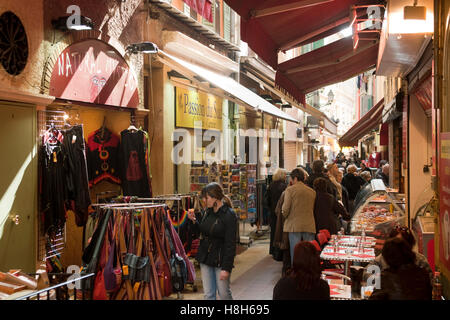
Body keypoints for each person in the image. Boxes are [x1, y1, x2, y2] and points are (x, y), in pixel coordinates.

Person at [187, 183, 237, 300]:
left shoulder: (229, 215)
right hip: (205, 257)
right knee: (208, 295)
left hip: (220, 259)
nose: (204, 200)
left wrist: (226, 267)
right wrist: (194, 221)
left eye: (207, 197)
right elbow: (202, 232)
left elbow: (230, 244)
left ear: (215, 197)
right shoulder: (207, 212)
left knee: (224, 294)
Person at [364, 225, 433, 283]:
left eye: (402, 243)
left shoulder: (420, 260)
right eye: (395, 242)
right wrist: (384, 282)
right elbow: (367, 274)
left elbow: (430, 280)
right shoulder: (382, 258)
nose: (399, 246)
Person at [282, 168, 316, 265]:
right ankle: (310, 275)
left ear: (295, 178)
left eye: (291, 179)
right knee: (309, 255)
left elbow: (285, 209)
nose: (291, 181)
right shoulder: (312, 191)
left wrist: (284, 214)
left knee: (296, 254)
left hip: (294, 226)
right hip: (309, 225)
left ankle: (297, 276)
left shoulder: (290, 190)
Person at [266, 168, 288, 259]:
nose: (286, 177)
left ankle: (272, 250)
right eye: (285, 175)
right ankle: (279, 252)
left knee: (274, 231)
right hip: (280, 211)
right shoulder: (284, 186)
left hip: (272, 211)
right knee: (280, 232)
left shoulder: (271, 185)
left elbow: (267, 199)